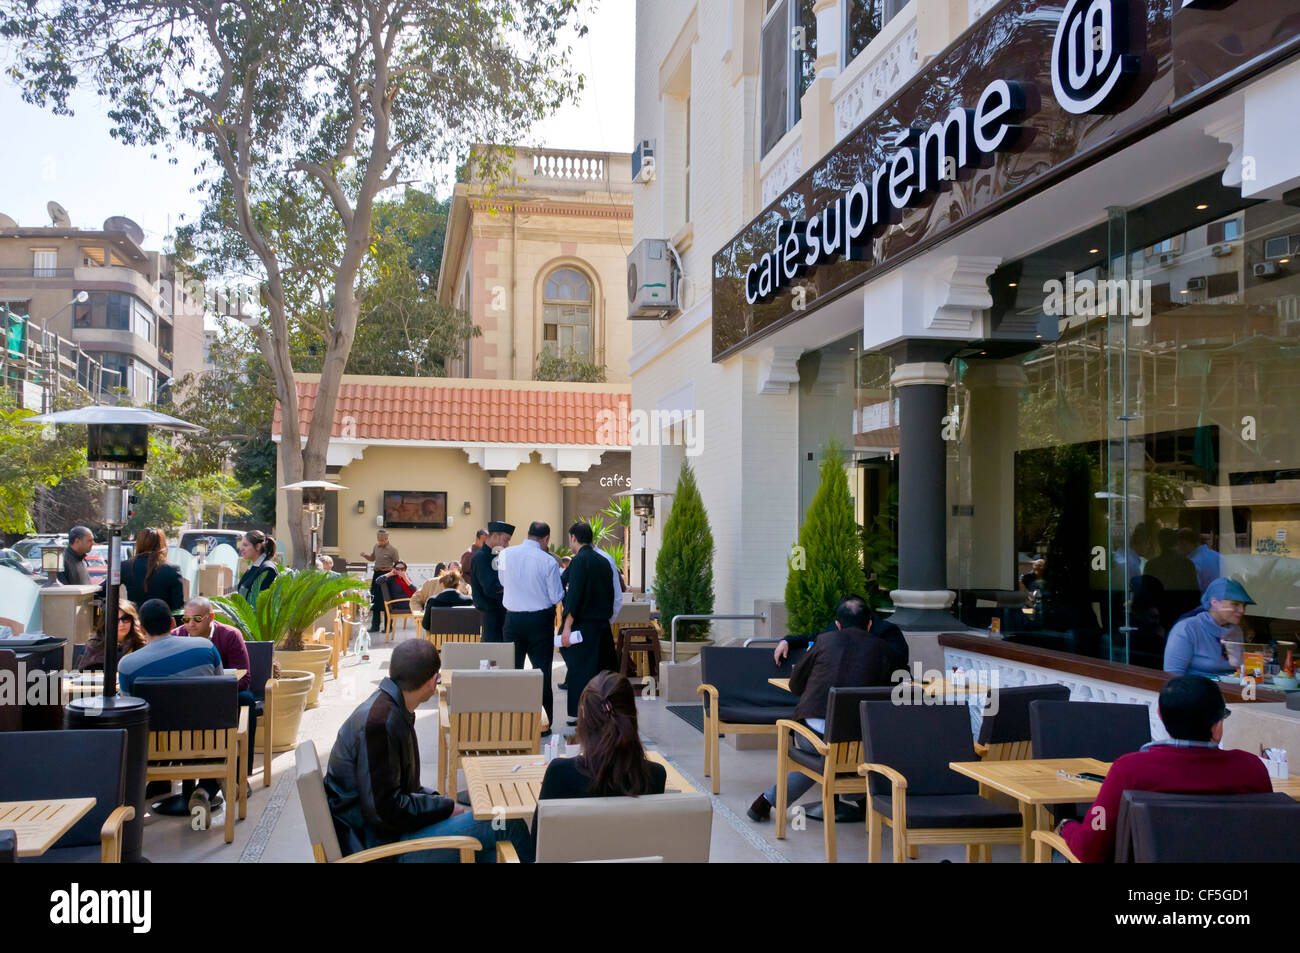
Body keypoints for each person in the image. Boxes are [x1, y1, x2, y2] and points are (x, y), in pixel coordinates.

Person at [323, 639, 532, 862]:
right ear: (433, 681)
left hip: (377, 835)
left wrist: (445, 804)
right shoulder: (380, 724)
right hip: (379, 848)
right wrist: (444, 808)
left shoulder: (388, 708)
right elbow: (384, 811)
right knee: (506, 822)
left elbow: (396, 794)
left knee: (494, 852)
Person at [1059, 675, 1272, 862]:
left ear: (1160, 716)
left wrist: (1066, 828)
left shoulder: (1129, 769)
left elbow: (1090, 850)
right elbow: (1268, 839)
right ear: (1217, 727)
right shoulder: (1251, 768)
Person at [748, 595, 895, 822]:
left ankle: (766, 801)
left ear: (837, 624)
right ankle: (867, 802)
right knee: (847, 753)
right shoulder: (884, 650)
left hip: (814, 737)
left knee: (827, 756)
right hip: (861, 741)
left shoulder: (824, 641)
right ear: (869, 624)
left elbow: (795, 685)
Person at [532, 671, 666, 858]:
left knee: (492, 827)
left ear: (584, 716)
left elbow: (537, 846)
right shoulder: (655, 775)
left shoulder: (560, 772)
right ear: (632, 715)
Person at [118, 599, 226, 816]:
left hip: (154, 749)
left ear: (141, 628)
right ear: (172, 622)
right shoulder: (205, 647)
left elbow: (130, 709)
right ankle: (204, 791)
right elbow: (219, 690)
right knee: (225, 730)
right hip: (207, 743)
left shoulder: (127, 665)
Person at [499, 521, 565, 728]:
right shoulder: (548, 562)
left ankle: (513, 722)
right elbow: (556, 596)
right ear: (546, 539)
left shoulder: (505, 555)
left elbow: (502, 582)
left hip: (512, 620)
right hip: (539, 621)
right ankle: (543, 725)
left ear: (527, 534)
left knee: (512, 671)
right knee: (542, 673)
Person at [559, 521, 615, 731]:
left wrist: (567, 626)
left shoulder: (579, 560)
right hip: (603, 626)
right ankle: (603, 714)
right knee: (602, 673)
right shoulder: (603, 561)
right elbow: (611, 593)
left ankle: (581, 715)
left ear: (573, 537)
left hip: (583, 627)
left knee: (580, 672)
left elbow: (574, 595)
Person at [772, 599, 908, 675]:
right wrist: (787, 641)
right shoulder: (831, 632)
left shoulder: (886, 633)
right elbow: (812, 637)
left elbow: (898, 664)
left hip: (885, 696)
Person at [1163, 578, 1253, 677]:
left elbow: (1238, 668)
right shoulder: (1187, 629)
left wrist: (1254, 662)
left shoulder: (1236, 630)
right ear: (1214, 602)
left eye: (1244, 606)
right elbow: (1172, 675)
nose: (1242, 610)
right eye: (1235, 604)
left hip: (1231, 690)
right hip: (1198, 690)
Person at [1144, 528, 1200, 631]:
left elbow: (1146, 593)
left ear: (1159, 543)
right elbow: (1194, 594)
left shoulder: (1152, 565)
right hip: (1181, 614)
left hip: (1160, 615)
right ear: (1176, 542)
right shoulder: (1187, 564)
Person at [120, 528, 185, 611]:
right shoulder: (173, 569)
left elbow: (104, 590)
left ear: (139, 543)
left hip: (136, 620)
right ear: (163, 544)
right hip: (163, 620)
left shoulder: (126, 566)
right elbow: (178, 606)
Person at [470, 521, 513, 643]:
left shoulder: (497, 555)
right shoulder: (481, 557)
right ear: (494, 536)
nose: (507, 544)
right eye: (505, 540)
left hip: (501, 612)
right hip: (490, 613)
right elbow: (490, 587)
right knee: (493, 654)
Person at [81, 599, 146, 670]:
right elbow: (86, 676)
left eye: (125, 618)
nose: (121, 624)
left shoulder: (142, 644)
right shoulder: (94, 646)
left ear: (133, 620)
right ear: (105, 622)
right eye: (115, 620)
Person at [360, 530, 399, 633]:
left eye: (382, 540)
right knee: (375, 601)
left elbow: (397, 564)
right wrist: (365, 556)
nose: (380, 542)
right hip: (376, 575)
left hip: (387, 576)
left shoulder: (393, 550)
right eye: (379, 540)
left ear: (387, 539)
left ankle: (388, 627)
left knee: (387, 601)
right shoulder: (376, 547)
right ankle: (375, 626)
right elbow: (372, 558)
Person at [236, 531, 278, 605]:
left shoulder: (267, 569)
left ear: (258, 546)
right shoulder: (254, 567)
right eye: (242, 545)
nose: (241, 549)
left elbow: (260, 604)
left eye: (245, 545)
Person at [1179, 527, 1222, 594]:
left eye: (1179, 546)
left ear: (1184, 543)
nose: (1178, 550)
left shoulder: (1192, 563)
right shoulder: (1217, 555)